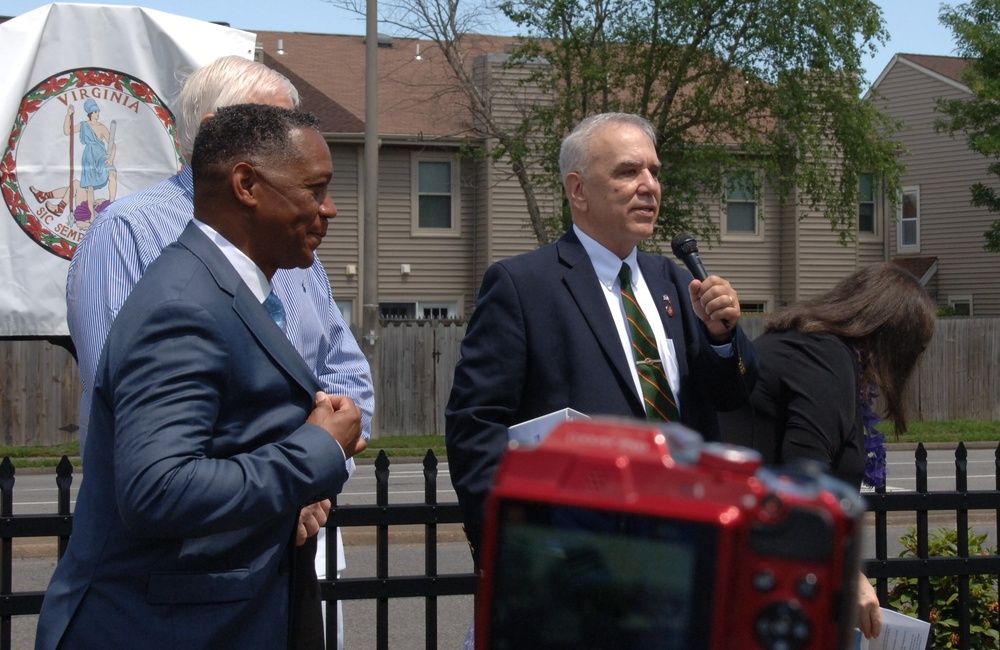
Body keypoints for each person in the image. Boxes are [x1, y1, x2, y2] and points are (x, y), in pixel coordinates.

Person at [64, 56, 374, 648]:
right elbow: (154, 469)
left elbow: (341, 370)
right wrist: (310, 457)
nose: (328, 208)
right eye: (312, 183)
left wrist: (318, 480)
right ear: (244, 173)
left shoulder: (281, 253)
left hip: (274, 559)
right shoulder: (156, 265)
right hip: (179, 602)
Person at [445, 112, 759, 565]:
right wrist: (519, 543)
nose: (649, 185)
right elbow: (476, 428)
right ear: (578, 190)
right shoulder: (524, 285)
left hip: (689, 541)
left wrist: (723, 338)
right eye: (628, 171)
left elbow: (733, 394)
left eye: (654, 171)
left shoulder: (674, 280)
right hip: (584, 557)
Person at [719, 262, 937, 640]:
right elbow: (804, 483)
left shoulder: (805, 345)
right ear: (891, 337)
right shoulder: (826, 358)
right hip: (754, 567)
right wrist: (849, 576)